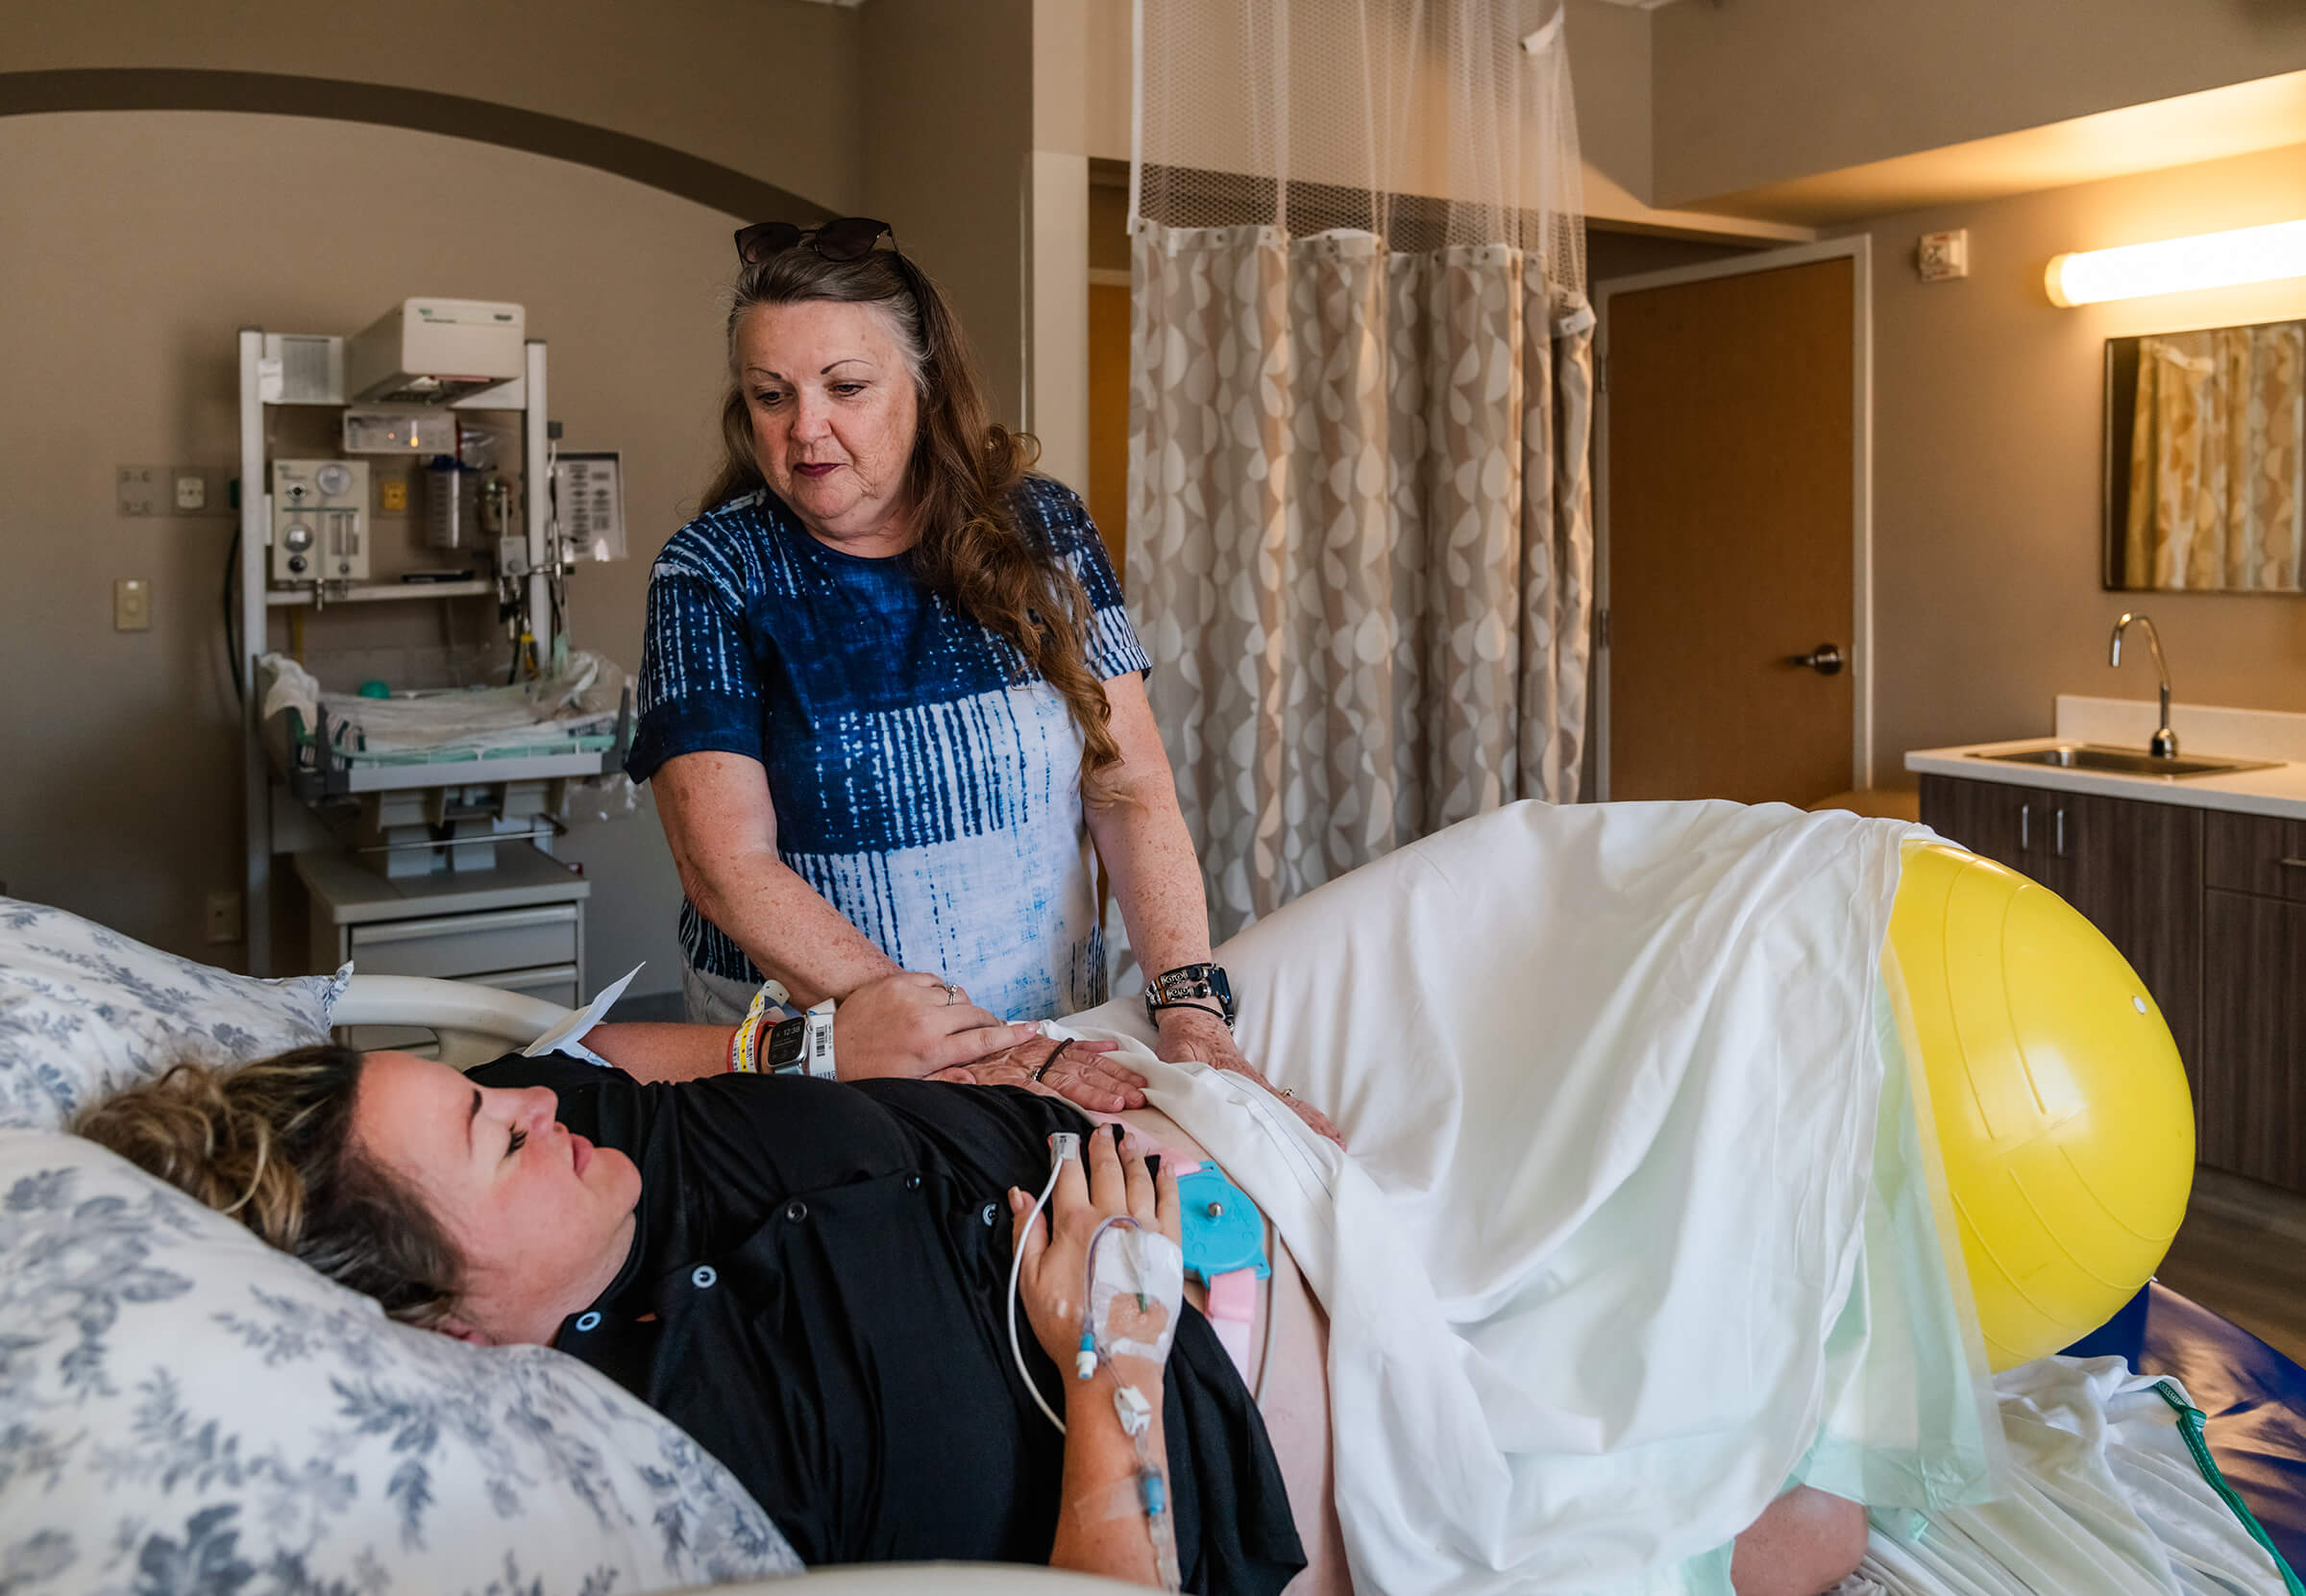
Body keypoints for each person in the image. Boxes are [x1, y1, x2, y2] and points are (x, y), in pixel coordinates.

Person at [78, 1029, 1868, 1596]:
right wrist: (1116, 1366)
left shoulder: (595, 1142)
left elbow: (609, 1050)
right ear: (442, 1328)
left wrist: (868, 1034)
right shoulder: (680, 1466)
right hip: (1326, 1410)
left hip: (1236, 1139)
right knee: (1815, 1488)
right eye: (490, 1137)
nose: (528, 1104)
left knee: (1706, 923)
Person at [628, 215, 1339, 1144]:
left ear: (924, 387)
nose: (806, 429)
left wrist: (1191, 1011)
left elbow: (1126, 787)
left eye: (846, 387)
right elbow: (726, 870)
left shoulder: (1040, 531)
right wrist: (960, 1046)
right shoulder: (713, 573)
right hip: (833, 1072)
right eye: (771, 395)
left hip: (1058, 1040)